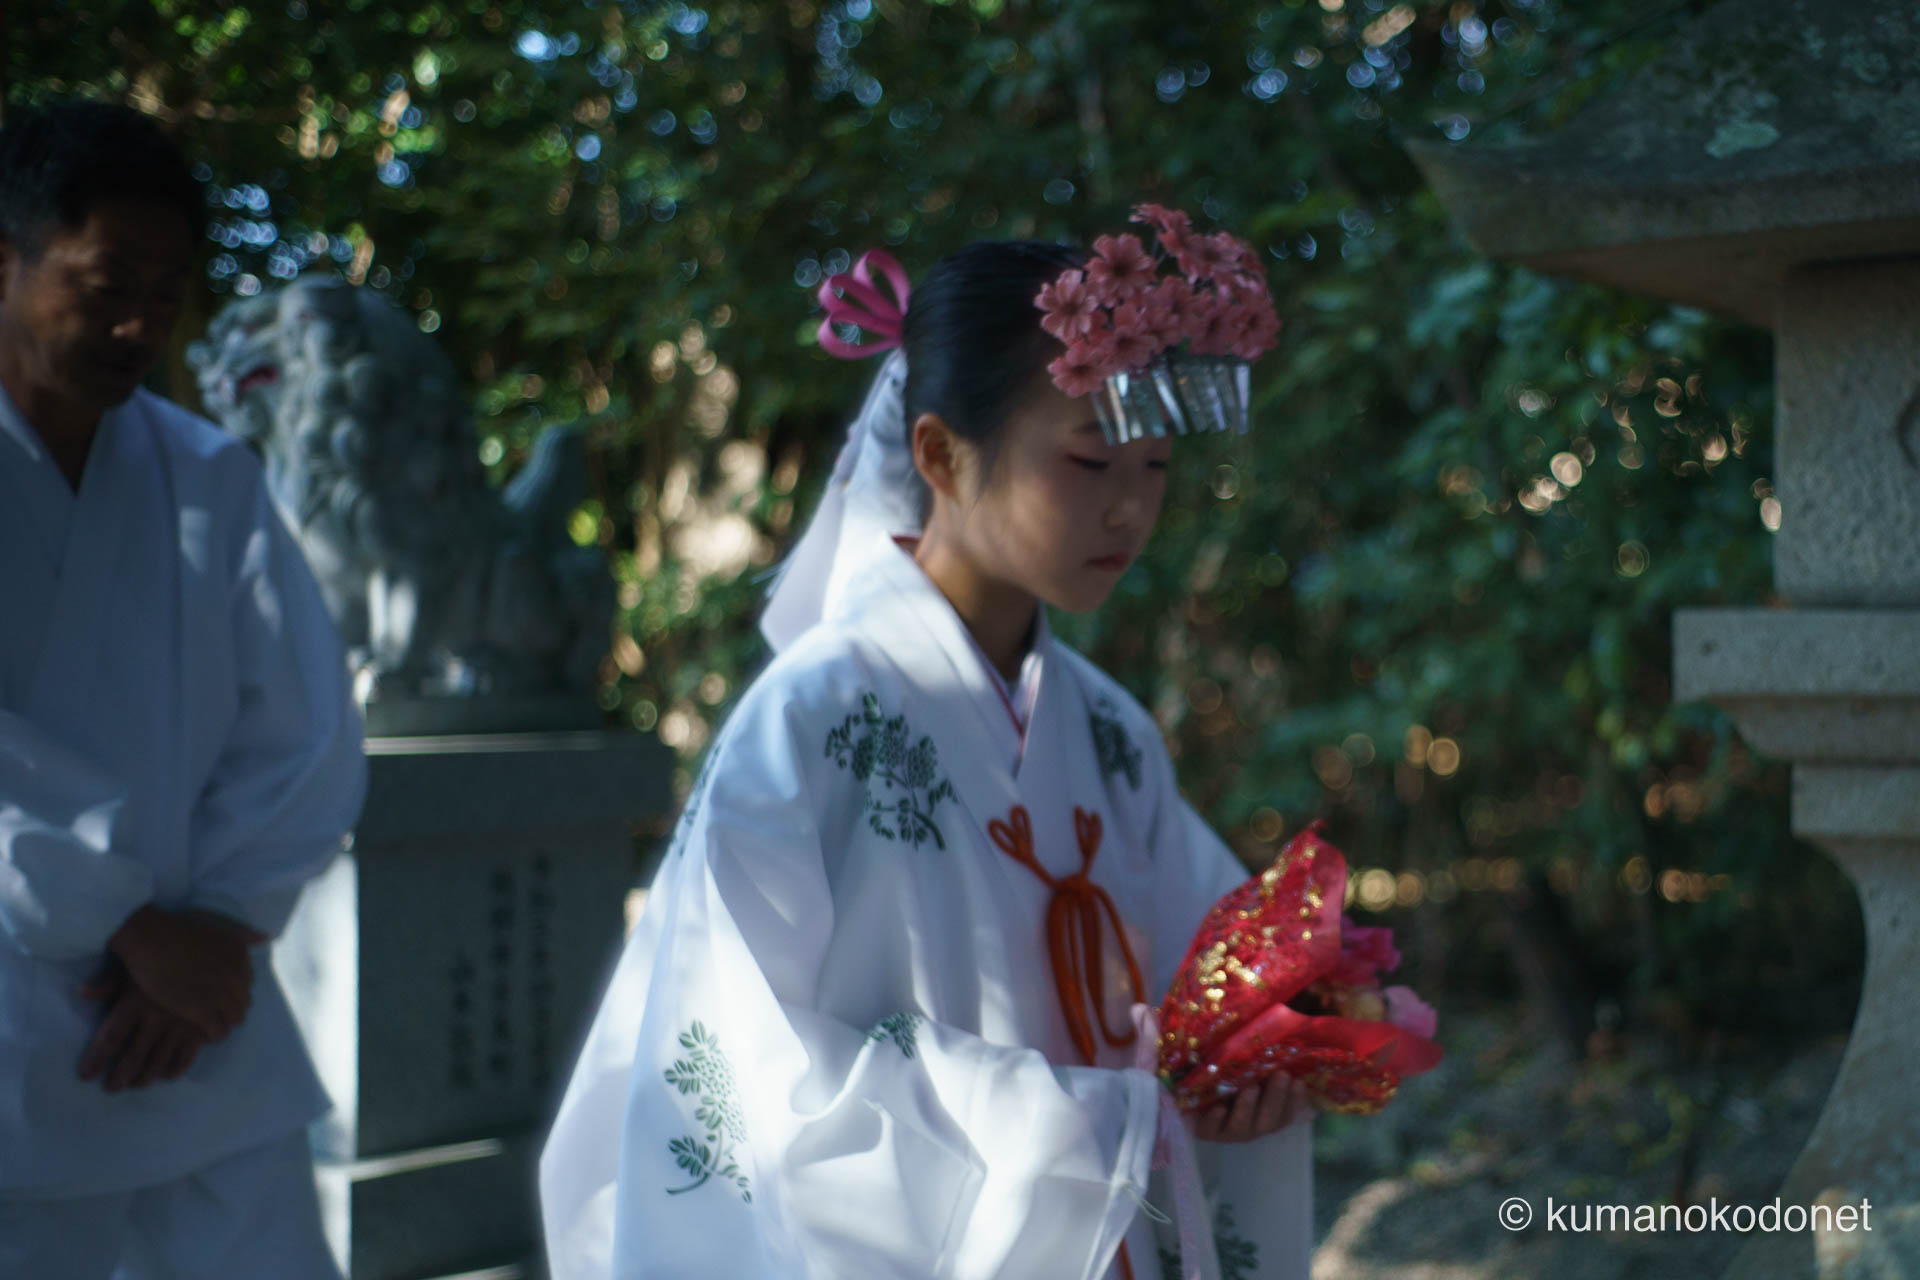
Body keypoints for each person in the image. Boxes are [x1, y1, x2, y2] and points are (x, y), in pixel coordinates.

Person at [540, 237, 1312, 1279]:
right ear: (942, 455)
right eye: (1091, 462)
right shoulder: (812, 719)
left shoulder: (1111, 731)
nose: (1131, 508)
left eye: (1157, 467)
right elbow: (734, 1067)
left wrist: (1259, 1046)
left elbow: (1206, 963)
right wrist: (1088, 1120)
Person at [0, 100, 366, 1278]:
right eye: (108, 284)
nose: (139, 324)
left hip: (202, 1029)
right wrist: (124, 920)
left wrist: (213, 928)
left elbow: (304, 730)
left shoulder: (208, 475)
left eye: (166, 295)